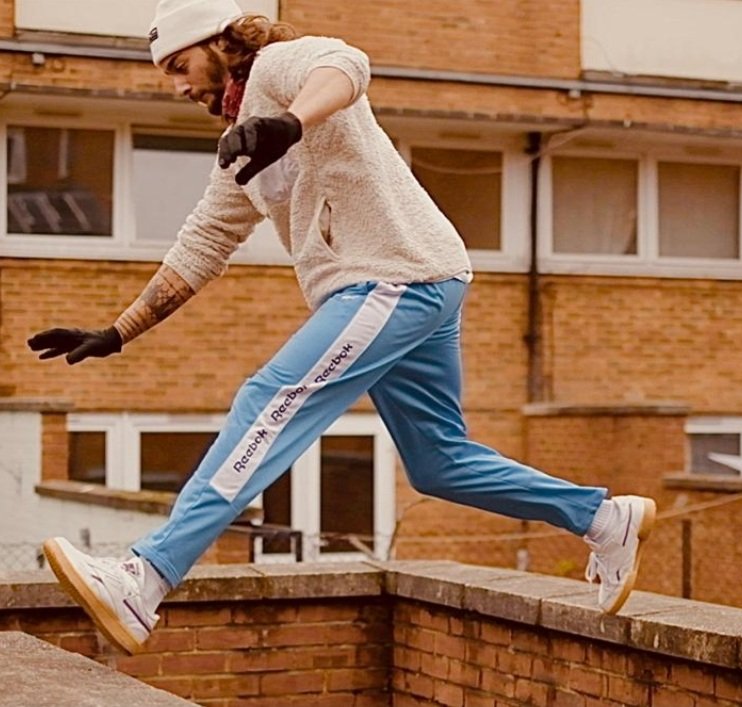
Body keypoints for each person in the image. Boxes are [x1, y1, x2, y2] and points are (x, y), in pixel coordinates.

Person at [27, 0, 656, 655]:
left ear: (220, 43)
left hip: (390, 276)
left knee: (267, 399)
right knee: (438, 461)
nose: (178, 86)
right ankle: (604, 517)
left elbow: (347, 63)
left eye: (180, 66)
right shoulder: (240, 141)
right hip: (423, 279)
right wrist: (118, 330)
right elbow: (205, 241)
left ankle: (146, 577)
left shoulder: (276, 67)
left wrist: (289, 122)